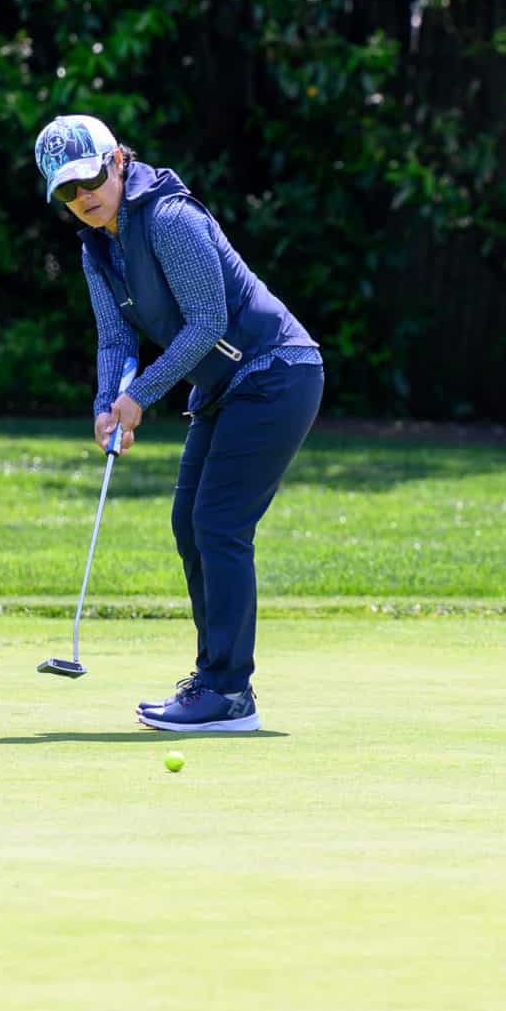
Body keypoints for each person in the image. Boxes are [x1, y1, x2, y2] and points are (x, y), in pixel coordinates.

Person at [34, 114, 323, 733]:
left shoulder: (168, 217)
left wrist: (141, 395)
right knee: (189, 523)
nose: (83, 197)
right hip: (226, 386)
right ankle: (215, 681)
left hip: (276, 372)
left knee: (218, 523)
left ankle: (228, 692)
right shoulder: (96, 247)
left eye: (90, 179)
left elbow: (208, 321)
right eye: (67, 190)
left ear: (117, 162)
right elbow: (116, 339)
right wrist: (108, 405)